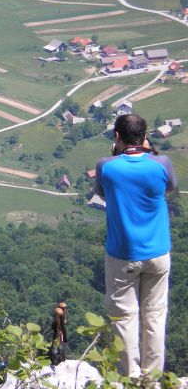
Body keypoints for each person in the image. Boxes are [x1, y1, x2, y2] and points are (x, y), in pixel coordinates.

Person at [95, 114, 178, 376]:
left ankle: (129, 377)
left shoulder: (106, 166)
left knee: (124, 316)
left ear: (116, 137)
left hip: (122, 254)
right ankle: (152, 378)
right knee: (154, 315)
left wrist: (116, 153)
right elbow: (170, 188)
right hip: (158, 252)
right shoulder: (162, 163)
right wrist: (149, 150)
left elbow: (103, 193)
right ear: (145, 136)